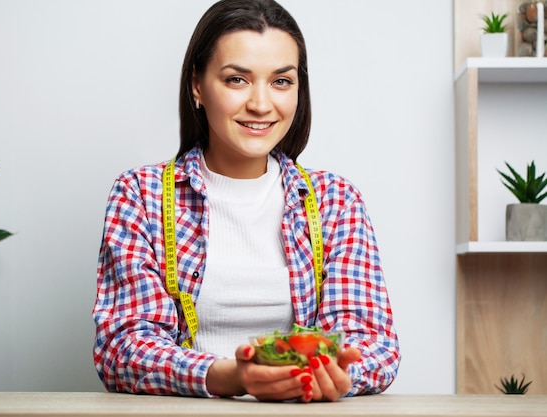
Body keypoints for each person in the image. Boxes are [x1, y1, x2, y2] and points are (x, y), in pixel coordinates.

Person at [92, 0, 400, 402]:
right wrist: (229, 377)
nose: (260, 103)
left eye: (281, 81)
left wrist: (338, 373)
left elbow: (372, 342)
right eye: (237, 80)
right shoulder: (142, 196)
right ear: (197, 86)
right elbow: (123, 346)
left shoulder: (334, 202)